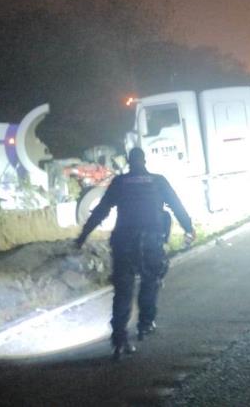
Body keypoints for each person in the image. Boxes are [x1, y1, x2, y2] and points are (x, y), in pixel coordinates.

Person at [75, 147, 195, 360]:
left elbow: (102, 209)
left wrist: (83, 236)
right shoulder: (158, 181)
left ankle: (119, 340)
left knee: (123, 290)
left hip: (123, 242)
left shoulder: (120, 183)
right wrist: (188, 228)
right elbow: (176, 206)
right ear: (145, 161)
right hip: (151, 241)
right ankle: (145, 323)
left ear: (129, 162)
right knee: (151, 281)